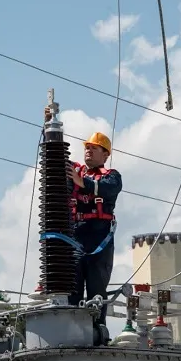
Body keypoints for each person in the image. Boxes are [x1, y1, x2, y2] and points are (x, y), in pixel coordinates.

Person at [66, 131, 122, 327]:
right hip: (76, 237)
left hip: (100, 239)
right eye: (87, 148)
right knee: (72, 290)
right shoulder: (75, 174)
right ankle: (72, 331)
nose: (88, 151)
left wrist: (83, 182)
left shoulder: (111, 177)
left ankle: (97, 332)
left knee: (96, 290)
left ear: (105, 154)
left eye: (94, 148)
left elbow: (108, 189)